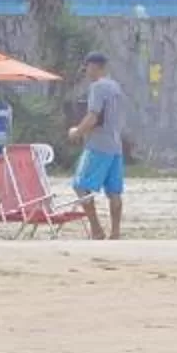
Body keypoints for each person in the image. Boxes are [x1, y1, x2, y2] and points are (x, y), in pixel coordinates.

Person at [70, 52, 128, 239]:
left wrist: (77, 132)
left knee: (80, 185)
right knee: (114, 191)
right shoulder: (116, 87)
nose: (86, 72)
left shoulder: (97, 87)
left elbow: (93, 116)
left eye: (87, 68)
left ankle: (96, 229)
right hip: (115, 145)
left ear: (94, 66)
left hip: (98, 145)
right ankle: (116, 232)